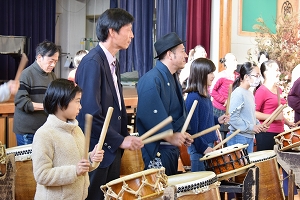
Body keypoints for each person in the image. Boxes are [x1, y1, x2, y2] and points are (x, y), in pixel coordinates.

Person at [75, 8, 144, 200]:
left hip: (111, 149)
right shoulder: (92, 62)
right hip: (97, 150)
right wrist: (119, 140)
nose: (132, 34)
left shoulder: (113, 61)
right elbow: (89, 112)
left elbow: (117, 107)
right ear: (112, 32)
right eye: (128, 29)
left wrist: (126, 136)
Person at [32, 79, 104, 200]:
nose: (80, 106)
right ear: (60, 103)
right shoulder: (44, 134)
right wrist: (75, 171)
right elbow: (41, 175)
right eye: (77, 101)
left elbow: (80, 163)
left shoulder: (76, 130)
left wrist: (91, 158)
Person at [136, 32, 193, 176]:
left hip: (171, 149)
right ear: (170, 54)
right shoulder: (151, 79)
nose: (186, 55)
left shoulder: (172, 77)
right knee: (159, 194)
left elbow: (175, 112)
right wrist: (170, 136)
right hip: (158, 150)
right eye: (182, 51)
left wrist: (181, 134)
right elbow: (150, 116)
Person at [185, 58, 229, 172]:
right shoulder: (193, 97)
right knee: (200, 186)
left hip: (207, 144)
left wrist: (217, 119)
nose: (213, 76)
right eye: (210, 73)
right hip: (199, 148)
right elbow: (192, 129)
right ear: (201, 74)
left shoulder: (205, 95)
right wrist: (203, 148)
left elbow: (205, 119)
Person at [13, 41, 60, 146]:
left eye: (56, 61)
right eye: (51, 61)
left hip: (45, 129)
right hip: (28, 132)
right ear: (39, 57)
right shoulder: (26, 74)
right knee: (29, 162)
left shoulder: (52, 76)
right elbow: (22, 102)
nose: (53, 65)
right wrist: (46, 106)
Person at [227, 62, 267, 153]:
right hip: (238, 137)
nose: (258, 79)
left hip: (248, 137)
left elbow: (251, 114)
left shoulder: (249, 93)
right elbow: (232, 118)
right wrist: (251, 127)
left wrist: (258, 125)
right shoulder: (238, 94)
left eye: (259, 75)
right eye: (256, 75)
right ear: (246, 77)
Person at [255, 60, 295, 151]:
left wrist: (288, 123)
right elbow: (253, 112)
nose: (279, 73)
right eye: (276, 70)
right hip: (266, 133)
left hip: (280, 133)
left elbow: (278, 113)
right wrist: (274, 117)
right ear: (266, 73)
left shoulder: (278, 90)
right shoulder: (262, 91)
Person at [210, 53, 238, 139]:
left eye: (235, 60)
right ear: (226, 63)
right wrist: (224, 100)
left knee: (230, 134)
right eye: (232, 60)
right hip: (219, 109)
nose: (235, 62)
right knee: (220, 134)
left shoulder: (238, 76)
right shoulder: (221, 75)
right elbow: (212, 91)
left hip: (232, 110)